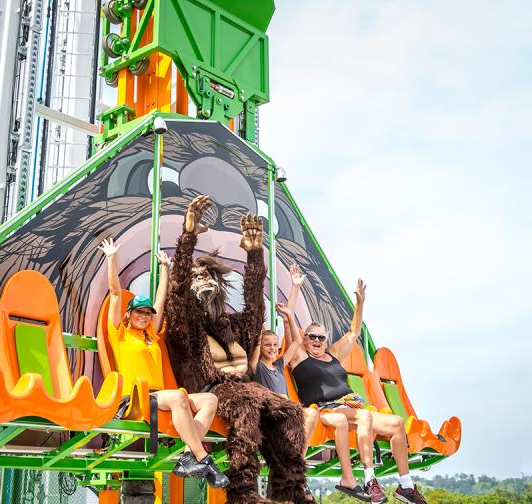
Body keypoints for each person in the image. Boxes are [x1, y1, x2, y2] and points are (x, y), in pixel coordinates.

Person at [163, 196, 310, 504]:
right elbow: (176, 296)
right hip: (211, 390)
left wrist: (255, 254)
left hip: (245, 388)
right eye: (197, 277)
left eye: (208, 276)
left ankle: (291, 491)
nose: (203, 281)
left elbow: (256, 307)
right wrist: (187, 236)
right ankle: (242, 494)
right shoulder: (187, 328)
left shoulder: (232, 326)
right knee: (246, 403)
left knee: (290, 411)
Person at [284, 270, 427, 504]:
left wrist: (360, 303)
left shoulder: (332, 355)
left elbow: (354, 333)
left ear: (326, 340)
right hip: (325, 408)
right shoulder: (300, 356)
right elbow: (288, 319)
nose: (317, 341)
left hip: (351, 406)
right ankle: (370, 480)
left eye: (321, 337)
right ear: (305, 339)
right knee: (364, 417)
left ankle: (406, 486)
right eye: (312, 337)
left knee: (397, 424)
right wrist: (295, 287)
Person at [98, 237, 229, 488]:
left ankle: (191, 457)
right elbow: (115, 292)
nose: (144, 316)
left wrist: (165, 269)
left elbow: (159, 302)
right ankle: (203, 459)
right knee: (180, 397)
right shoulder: (120, 333)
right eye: (139, 312)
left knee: (210, 400)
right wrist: (111, 257)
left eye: (147, 314)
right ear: (128, 314)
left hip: (159, 397)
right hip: (134, 397)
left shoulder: (151, 337)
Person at [251, 264, 320, 454]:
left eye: (275, 345)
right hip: (272, 411)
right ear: (261, 347)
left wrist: (290, 311)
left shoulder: (279, 364)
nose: (273, 348)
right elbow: (258, 339)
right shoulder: (257, 366)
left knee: (312, 413)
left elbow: (297, 341)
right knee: (290, 411)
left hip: (289, 410)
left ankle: (299, 459)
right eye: (268, 345)